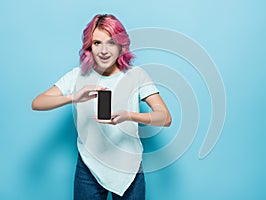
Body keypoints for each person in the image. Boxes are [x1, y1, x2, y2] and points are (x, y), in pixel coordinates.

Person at [32, 14, 172, 200]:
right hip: (88, 168)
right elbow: (38, 103)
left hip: (129, 167)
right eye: (97, 43)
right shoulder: (77, 76)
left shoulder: (137, 75)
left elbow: (165, 118)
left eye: (111, 43)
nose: (104, 50)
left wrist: (129, 116)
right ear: (89, 46)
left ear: (121, 45)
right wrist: (73, 97)